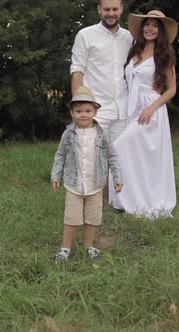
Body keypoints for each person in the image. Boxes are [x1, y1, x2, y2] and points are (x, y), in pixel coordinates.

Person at [109, 10, 178, 219]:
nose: (150, 28)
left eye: (155, 25)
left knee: (120, 147)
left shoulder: (165, 54)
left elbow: (172, 89)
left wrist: (152, 107)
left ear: (161, 31)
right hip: (132, 108)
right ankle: (127, 199)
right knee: (135, 156)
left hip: (151, 111)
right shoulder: (135, 51)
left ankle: (143, 200)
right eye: (147, 24)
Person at [51, 86, 123, 263]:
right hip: (74, 185)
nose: (83, 114)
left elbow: (112, 156)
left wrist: (117, 177)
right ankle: (65, 250)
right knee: (71, 219)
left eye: (88, 111)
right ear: (72, 113)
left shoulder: (102, 134)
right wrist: (56, 175)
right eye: (79, 111)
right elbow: (60, 155)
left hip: (95, 185)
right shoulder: (68, 134)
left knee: (92, 218)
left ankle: (89, 246)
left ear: (95, 111)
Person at [70, 0, 132, 204]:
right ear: (99, 10)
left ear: (121, 10)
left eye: (115, 9)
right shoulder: (85, 35)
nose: (111, 13)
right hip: (97, 107)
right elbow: (77, 70)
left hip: (123, 108)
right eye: (107, 9)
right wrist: (79, 106)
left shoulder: (129, 37)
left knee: (120, 157)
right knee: (91, 157)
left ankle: (117, 201)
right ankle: (90, 201)